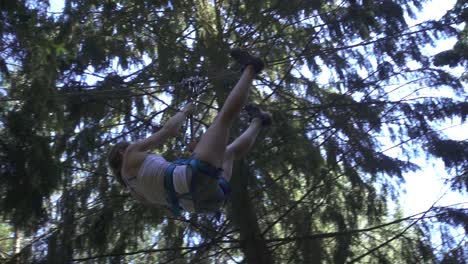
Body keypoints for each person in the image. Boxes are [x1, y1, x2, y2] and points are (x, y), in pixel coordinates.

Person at [107, 49, 272, 215]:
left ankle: (258, 121)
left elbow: (164, 186)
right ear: (121, 153)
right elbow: (170, 130)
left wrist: (195, 154)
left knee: (228, 153)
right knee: (223, 118)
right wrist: (186, 111)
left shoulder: (136, 192)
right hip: (193, 178)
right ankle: (251, 68)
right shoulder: (130, 154)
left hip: (205, 203)